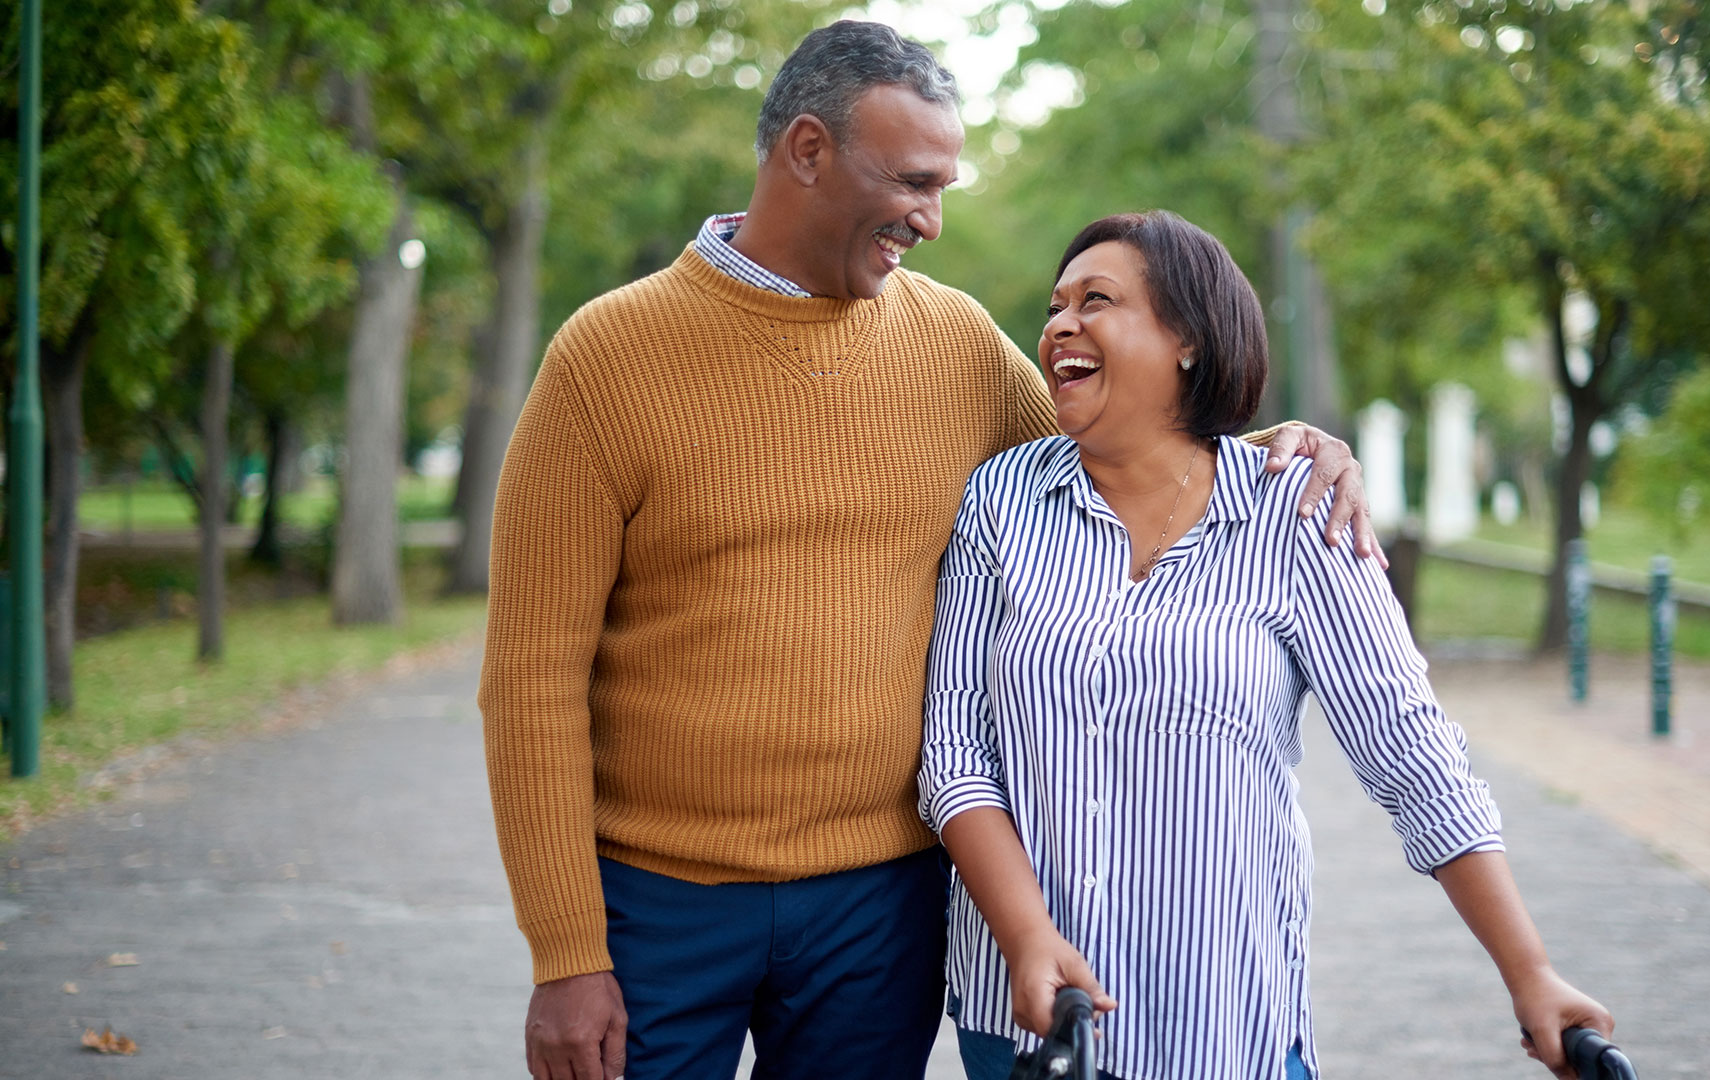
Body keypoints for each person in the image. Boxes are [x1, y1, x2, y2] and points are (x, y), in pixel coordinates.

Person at [479, 23, 1379, 1080]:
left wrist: (1271, 451)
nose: (933, 219)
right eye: (913, 180)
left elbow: (1118, 447)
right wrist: (565, 953)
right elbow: (531, 679)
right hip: (658, 903)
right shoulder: (605, 358)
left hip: (882, 908)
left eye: (945, 184)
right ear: (806, 150)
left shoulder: (953, 343)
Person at [919, 211, 1612, 1080]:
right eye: (1056, 306)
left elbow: (1412, 753)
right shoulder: (1002, 499)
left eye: (1097, 301)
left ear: (1190, 342)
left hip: (1224, 1017)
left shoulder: (1296, 511)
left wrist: (1531, 974)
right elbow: (954, 752)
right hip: (1029, 1014)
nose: (1061, 325)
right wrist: (1026, 938)